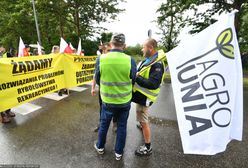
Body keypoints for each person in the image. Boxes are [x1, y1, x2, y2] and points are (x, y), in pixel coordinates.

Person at [93, 33, 136, 160]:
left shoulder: (101, 59)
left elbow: (98, 79)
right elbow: (133, 79)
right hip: (124, 101)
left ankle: (100, 147)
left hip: (107, 101)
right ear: (125, 45)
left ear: (111, 44)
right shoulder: (130, 60)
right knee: (122, 126)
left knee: (104, 124)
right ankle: (118, 153)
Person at [132, 38, 165, 156]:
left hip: (145, 98)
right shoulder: (148, 60)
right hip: (140, 96)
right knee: (141, 119)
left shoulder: (157, 64)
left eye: (143, 47)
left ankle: (148, 147)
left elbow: (153, 84)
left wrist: (137, 77)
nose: (142, 49)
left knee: (144, 121)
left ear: (150, 48)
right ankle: (141, 125)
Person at [91, 42, 117, 133]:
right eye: (108, 50)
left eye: (111, 50)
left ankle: (115, 123)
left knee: (115, 107)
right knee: (102, 107)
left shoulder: (115, 59)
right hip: (103, 89)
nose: (110, 52)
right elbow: (95, 74)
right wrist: (93, 87)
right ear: (103, 51)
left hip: (114, 88)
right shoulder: (99, 59)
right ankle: (101, 124)